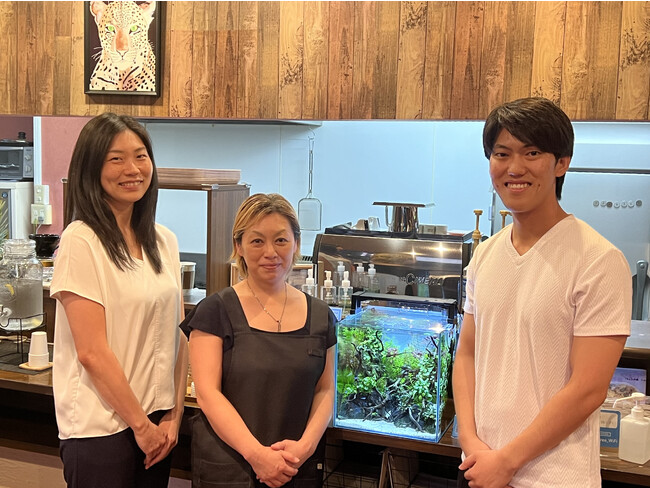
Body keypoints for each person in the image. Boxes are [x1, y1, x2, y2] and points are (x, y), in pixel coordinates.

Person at [452, 97, 632, 488]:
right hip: (480, 468)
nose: (515, 168)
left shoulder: (599, 260)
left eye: (532, 153)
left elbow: (588, 389)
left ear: (561, 163)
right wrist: (470, 442)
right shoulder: (485, 255)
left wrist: (507, 461)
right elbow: (467, 354)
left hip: (553, 477)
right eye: (502, 153)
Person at [51, 113, 188, 488]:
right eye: (116, 158)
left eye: (141, 156)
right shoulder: (81, 240)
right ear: (91, 168)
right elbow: (91, 352)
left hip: (158, 422)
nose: (133, 169)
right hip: (101, 429)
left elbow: (178, 336)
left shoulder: (164, 241)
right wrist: (141, 427)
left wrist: (173, 415)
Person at [181, 193, 336, 488]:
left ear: (297, 244)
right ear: (238, 246)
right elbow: (208, 395)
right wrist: (257, 456)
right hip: (231, 469)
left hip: (295, 468)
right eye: (256, 241)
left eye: (281, 240)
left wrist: (304, 448)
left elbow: (326, 389)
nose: (270, 252)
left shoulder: (320, 316)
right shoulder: (215, 311)